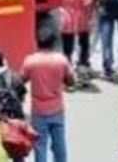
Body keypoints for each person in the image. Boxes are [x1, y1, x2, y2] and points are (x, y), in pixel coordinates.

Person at [21, 27, 76, 162]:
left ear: (37, 42)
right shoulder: (61, 60)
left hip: (38, 111)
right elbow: (71, 81)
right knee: (59, 145)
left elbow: (20, 80)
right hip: (57, 109)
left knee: (40, 146)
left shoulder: (30, 61)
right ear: (53, 43)